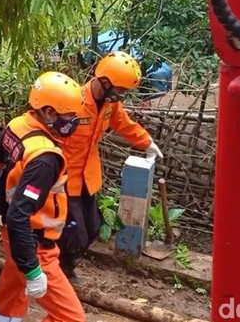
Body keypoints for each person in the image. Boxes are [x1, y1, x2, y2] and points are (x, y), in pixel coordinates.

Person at [0, 71, 87, 322]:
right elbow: (20, 215)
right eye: (70, 115)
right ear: (49, 112)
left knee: (7, 306)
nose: (74, 121)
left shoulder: (20, 124)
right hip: (33, 243)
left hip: (14, 238)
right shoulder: (46, 160)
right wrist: (32, 268)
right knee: (71, 318)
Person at [58, 51, 164, 282]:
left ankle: (65, 264)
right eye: (121, 90)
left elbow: (124, 124)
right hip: (64, 178)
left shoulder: (109, 104)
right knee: (73, 231)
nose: (122, 95)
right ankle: (61, 269)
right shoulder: (72, 101)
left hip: (88, 176)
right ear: (105, 82)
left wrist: (147, 142)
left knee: (94, 226)